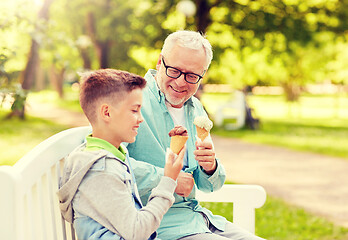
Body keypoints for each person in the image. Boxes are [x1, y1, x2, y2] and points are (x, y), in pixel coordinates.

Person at [127, 30, 265, 240]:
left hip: (199, 219)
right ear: (159, 62)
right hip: (158, 226)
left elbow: (209, 185)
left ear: (203, 75)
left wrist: (210, 167)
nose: (181, 82)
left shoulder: (196, 108)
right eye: (174, 70)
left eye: (192, 75)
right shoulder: (131, 102)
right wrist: (167, 179)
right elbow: (109, 165)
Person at [57, 69, 185, 240]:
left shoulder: (114, 154)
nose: (141, 119)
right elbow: (136, 232)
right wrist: (169, 181)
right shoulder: (101, 169)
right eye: (134, 110)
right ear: (107, 113)